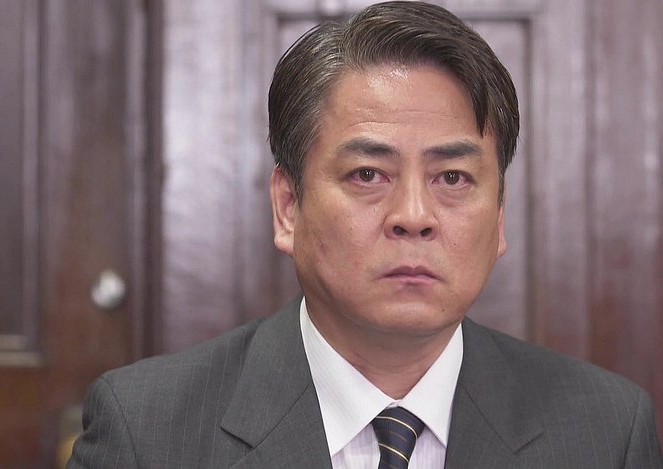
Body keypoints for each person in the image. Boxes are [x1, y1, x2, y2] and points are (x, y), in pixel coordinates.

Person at [68, 2, 663, 468]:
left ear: (500, 214)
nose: (414, 215)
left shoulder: (606, 430)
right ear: (288, 206)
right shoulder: (148, 429)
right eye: (368, 175)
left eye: (452, 178)